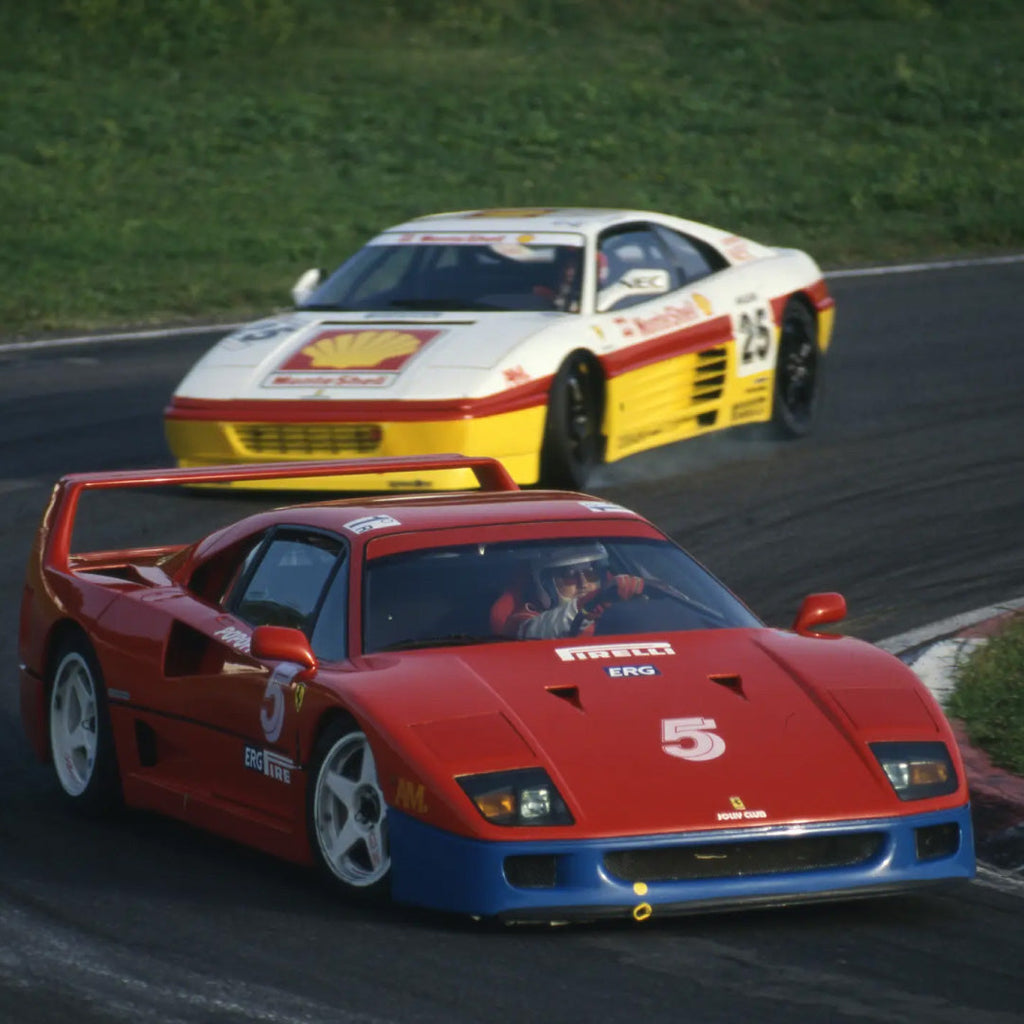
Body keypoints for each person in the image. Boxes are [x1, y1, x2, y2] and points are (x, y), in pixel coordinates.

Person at [490, 542, 645, 640]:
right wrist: (591, 601)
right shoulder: (521, 621)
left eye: (591, 574)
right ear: (545, 584)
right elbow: (539, 630)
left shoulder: (614, 604)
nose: (583, 584)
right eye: (569, 576)